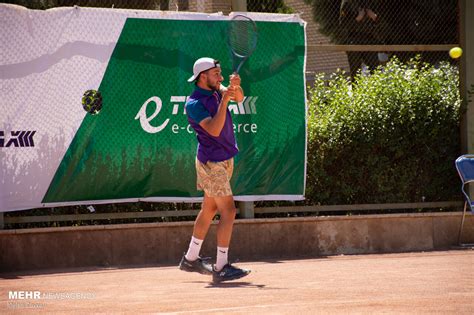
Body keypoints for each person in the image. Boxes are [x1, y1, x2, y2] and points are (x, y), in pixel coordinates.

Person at [179, 57, 250, 283]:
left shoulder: (217, 89)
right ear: (203, 76)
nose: (220, 77)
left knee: (209, 209)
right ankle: (221, 266)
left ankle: (190, 259)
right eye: (216, 74)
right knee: (228, 211)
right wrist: (224, 102)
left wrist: (234, 88)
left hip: (225, 159)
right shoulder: (194, 104)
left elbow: (239, 98)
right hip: (212, 164)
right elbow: (215, 130)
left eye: (220, 74)